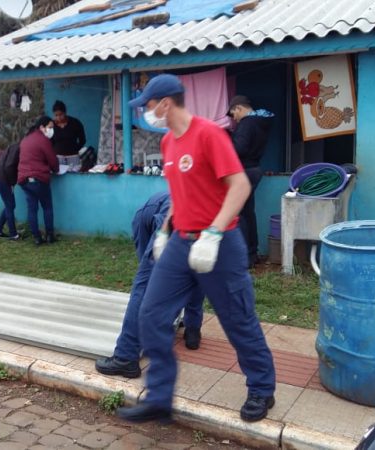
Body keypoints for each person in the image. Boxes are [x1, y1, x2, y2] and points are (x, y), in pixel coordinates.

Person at [117, 74, 275, 424]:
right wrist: (164, 230)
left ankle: (263, 388)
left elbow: (239, 187)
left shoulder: (209, 134)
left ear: (165, 104)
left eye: (147, 105)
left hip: (220, 244)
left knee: (238, 321)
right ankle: (159, 398)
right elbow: (181, 193)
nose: (145, 112)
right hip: (181, 241)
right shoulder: (169, 144)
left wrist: (215, 233)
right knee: (152, 314)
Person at [95, 192, 205, 378]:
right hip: (207, 220)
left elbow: (147, 263)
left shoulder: (141, 217)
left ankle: (125, 357)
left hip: (173, 218)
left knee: (144, 285)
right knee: (197, 270)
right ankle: (193, 331)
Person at [227, 95, 274, 268]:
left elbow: (239, 148)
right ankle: (252, 254)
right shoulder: (260, 122)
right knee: (247, 213)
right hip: (254, 169)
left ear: (239, 108)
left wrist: (227, 140)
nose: (234, 119)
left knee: (238, 214)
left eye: (233, 114)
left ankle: (244, 256)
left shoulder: (247, 124)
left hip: (244, 171)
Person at [17, 116, 58, 246]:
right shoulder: (43, 140)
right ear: (42, 127)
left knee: (32, 209)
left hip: (24, 180)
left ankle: (36, 237)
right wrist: (55, 169)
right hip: (39, 179)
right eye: (50, 127)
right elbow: (53, 161)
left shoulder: (25, 139)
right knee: (47, 207)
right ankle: (50, 235)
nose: (51, 130)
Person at [0, 141, 21, 240]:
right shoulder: (18, 148)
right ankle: (13, 234)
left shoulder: (15, 146)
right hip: (2, 179)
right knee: (10, 205)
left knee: (10, 205)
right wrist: (12, 182)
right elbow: (9, 166)